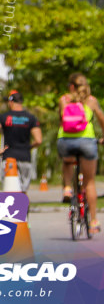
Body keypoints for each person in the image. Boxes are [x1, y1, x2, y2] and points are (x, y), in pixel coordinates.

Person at [57, 73, 104, 233]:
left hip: (66, 141)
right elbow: (102, 119)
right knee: (89, 182)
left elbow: (61, 120)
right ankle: (93, 222)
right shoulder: (91, 101)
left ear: (71, 86)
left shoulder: (64, 100)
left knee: (67, 161)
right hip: (87, 142)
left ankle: (68, 188)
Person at [0, 90, 41, 193]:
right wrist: (29, 147)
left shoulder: (4, 117)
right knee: (23, 191)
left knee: (11, 188)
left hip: (9, 157)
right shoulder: (31, 118)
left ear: (11, 102)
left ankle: (15, 207)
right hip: (25, 157)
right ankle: (23, 206)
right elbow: (38, 140)